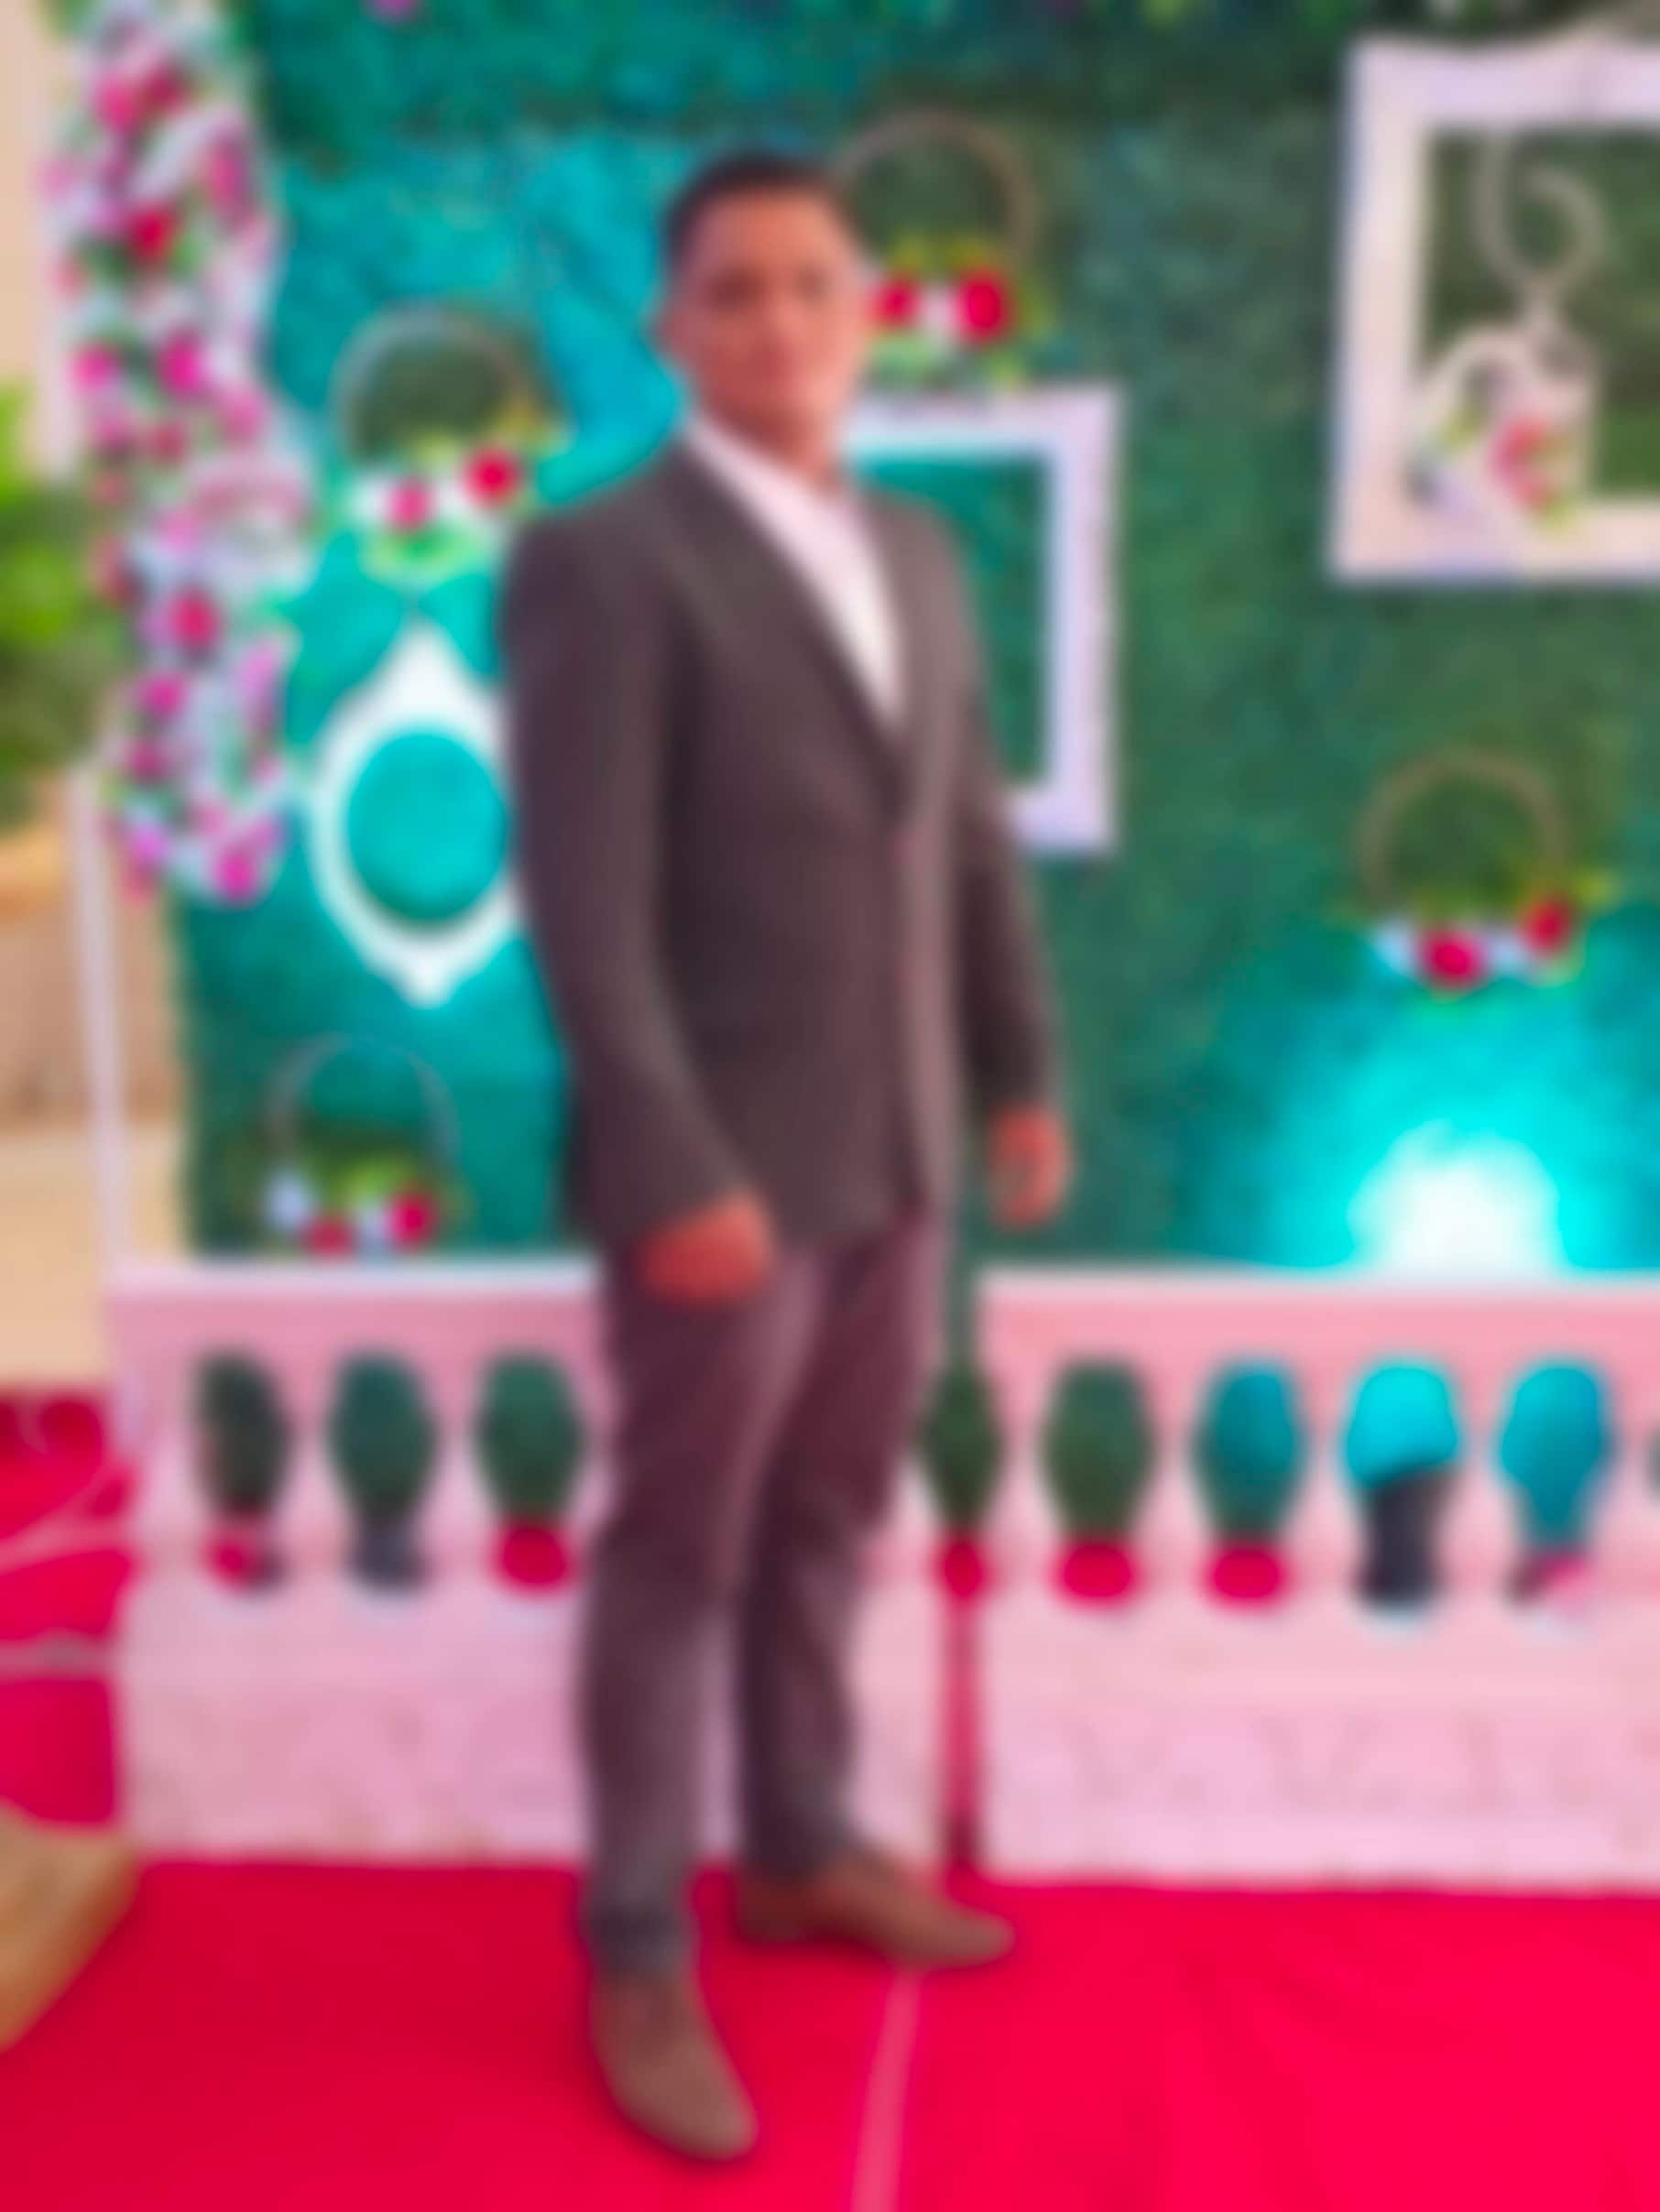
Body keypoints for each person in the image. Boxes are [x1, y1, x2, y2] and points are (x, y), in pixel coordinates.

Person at [499, 147, 1071, 2163]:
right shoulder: (603, 560)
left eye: (812, 284)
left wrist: (1017, 1071)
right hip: (721, 1179)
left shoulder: (919, 553)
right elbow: (585, 908)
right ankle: (638, 1947)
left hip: (898, 1144)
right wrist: (668, 1163)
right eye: (732, 291)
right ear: (671, 328)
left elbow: (968, 840)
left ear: (867, 313)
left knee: (831, 1514)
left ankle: (804, 1845)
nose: (777, 322)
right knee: (680, 1551)